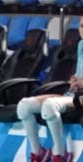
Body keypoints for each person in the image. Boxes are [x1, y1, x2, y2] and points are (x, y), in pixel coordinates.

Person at [16, 19, 83, 162]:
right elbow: (79, 74)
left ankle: (59, 154)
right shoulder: (81, 45)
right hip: (75, 95)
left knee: (50, 106)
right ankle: (37, 152)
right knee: (24, 106)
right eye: (82, 26)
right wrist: (74, 80)